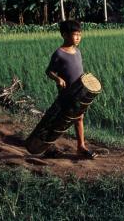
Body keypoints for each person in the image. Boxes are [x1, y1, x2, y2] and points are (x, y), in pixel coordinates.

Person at [45, 20, 97, 159]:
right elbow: (49, 71)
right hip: (66, 93)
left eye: (80, 34)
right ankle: (47, 145)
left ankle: (81, 146)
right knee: (61, 120)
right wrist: (58, 79)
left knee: (79, 118)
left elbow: (78, 70)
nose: (78, 37)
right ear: (64, 35)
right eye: (75, 35)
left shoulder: (77, 51)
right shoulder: (59, 54)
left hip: (78, 92)